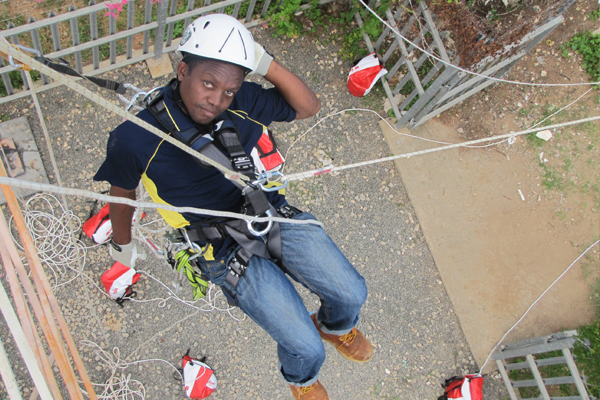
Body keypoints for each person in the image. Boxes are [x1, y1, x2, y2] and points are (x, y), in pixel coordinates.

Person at [94, 13, 372, 400]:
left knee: (351, 293)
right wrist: (123, 248)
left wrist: (265, 63)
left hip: (267, 211)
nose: (216, 100)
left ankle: (336, 327)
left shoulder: (240, 101)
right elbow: (121, 197)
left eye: (228, 90)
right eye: (208, 83)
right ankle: (301, 379)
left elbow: (308, 106)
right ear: (182, 70)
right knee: (305, 347)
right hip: (219, 248)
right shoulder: (135, 138)